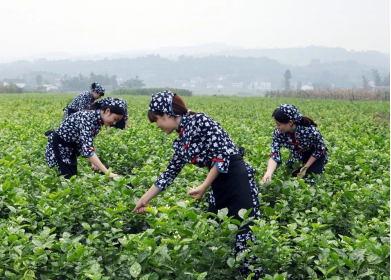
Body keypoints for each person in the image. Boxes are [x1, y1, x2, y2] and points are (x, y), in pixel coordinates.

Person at [132, 91, 262, 278]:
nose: (157, 125)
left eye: (157, 120)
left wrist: (204, 185)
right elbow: (168, 174)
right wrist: (143, 200)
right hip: (217, 181)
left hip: (238, 179)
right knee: (218, 234)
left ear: (167, 114)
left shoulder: (202, 121)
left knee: (245, 235)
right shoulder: (182, 138)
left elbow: (222, 157)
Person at [45, 97, 128, 179]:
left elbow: (83, 144)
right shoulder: (88, 118)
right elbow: (88, 150)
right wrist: (107, 173)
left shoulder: (97, 121)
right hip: (57, 149)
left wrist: (93, 160)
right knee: (62, 180)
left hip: (70, 151)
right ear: (107, 111)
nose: (114, 123)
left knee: (70, 180)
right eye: (115, 119)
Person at [260, 104, 328, 185]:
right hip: (298, 156)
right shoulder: (279, 132)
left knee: (310, 181)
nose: (277, 127)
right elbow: (274, 153)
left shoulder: (310, 131)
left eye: (278, 124)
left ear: (290, 122)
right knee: (293, 176)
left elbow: (319, 150)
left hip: (315, 157)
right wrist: (268, 173)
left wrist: (305, 168)